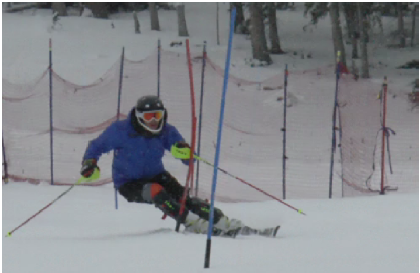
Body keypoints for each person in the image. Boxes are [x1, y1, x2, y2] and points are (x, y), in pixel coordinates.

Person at [80, 95, 245, 236]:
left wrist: (185, 152)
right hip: (128, 182)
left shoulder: (166, 131)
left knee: (184, 198)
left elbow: (186, 156)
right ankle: (194, 224)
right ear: (138, 116)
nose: (153, 121)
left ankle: (224, 222)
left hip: (157, 175)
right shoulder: (120, 130)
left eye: (157, 116)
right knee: (155, 191)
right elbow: (96, 147)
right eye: (148, 117)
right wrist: (90, 163)